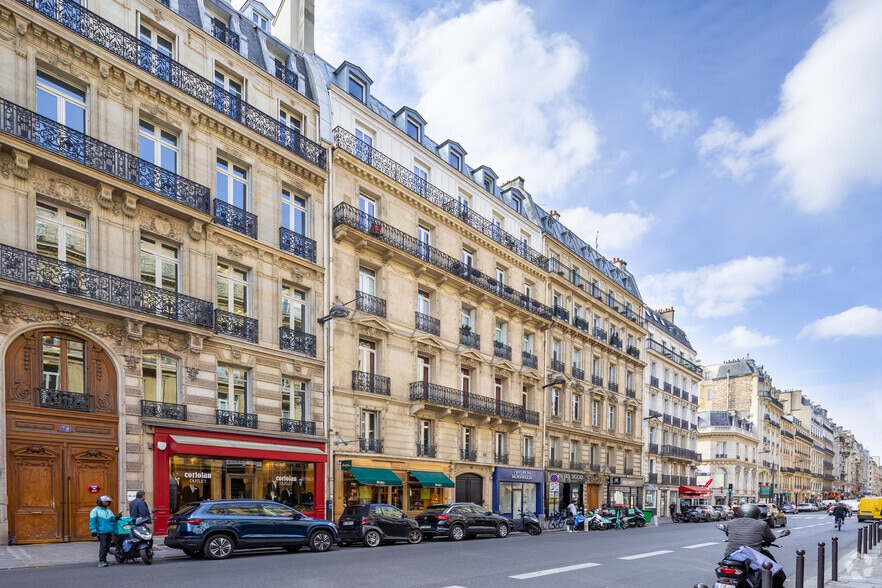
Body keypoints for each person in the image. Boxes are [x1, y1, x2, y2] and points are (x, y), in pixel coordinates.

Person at [722, 503, 784, 588]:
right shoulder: (761, 524)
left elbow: (728, 534)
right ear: (756, 514)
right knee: (774, 570)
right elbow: (771, 538)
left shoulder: (731, 523)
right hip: (750, 557)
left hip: (730, 556)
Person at [89, 495, 117, 568]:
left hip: (108, 531)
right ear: (100, 502)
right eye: (105, 502)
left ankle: (105, 559)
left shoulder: (108, 511)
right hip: (101, 532)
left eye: (108, 502)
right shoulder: (95, 511)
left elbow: (112, 519)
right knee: (103, 546)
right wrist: (94, 530)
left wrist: (116, 518)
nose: (107, 503)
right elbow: (92, 522)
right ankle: (101, 561)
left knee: (107, 546)